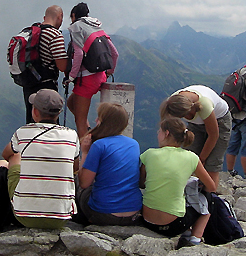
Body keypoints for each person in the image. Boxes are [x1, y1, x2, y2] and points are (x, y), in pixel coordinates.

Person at [2, 89, 80, 229]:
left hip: (24, 216)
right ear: (58, 114)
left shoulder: (22, 132)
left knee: (15, 157)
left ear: (35, 112)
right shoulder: (72, 135)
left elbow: (6, 154)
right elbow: (75, 168)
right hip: (61, 218)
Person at [140, 117, 217, 246]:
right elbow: (212, 187)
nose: (157, 135)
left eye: (159, 132)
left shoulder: (149, 154)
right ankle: (194, 238)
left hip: (147, 221)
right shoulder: (192, 157)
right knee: (209, 198)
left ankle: (188, 234)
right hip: (174, 226)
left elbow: (141, 183)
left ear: (166, 133)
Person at [75, 103, 142, 226]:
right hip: (133, 214)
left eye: (99, 117)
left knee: (77, 182)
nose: (96, 120)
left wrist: (84, 153)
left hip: (105, 214)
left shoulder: (99, 145)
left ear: (104, 122)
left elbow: (84, 183)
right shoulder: (134, 144)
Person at [65, 3, 118, 140]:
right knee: (72, 103)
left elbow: (79, 54)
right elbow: (114, 53)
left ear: (74, 16)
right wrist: (109, 72)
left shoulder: (77, 28)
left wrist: (71, 77)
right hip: (100, 76)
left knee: (80, 120)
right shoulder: (96, 27)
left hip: (86, 80)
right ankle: (90, 132)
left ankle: (87, 153)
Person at [160, 85, 231, 185]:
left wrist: (201, 160)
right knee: (188, 159)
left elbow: (214, 135)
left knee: (212, 164)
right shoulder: (172, 103)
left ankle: (210, 196)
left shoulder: (205, 104)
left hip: (220, 121)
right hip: (196, 124)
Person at [20, 5, 69, 124]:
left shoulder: (29, 32)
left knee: (32, 122)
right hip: (46, 86)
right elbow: (62, 66)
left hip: (28, 84)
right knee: (48, 125)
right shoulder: (54, 35)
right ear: (59, 17)